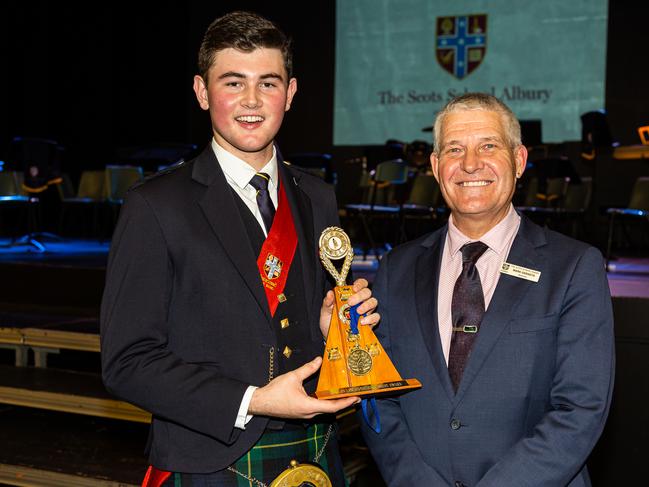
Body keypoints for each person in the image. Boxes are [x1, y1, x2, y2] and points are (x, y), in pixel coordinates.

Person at [100, 11, 378, 486]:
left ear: (290, 94)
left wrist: (331, 326)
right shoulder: (156, 205)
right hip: (210, 458)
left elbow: (296, 319)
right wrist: (252, 400)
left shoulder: (316, 196)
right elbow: (127, 362)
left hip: (315, 447)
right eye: (233, 83)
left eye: (268, 83)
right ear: (202, 92)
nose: (252, 102)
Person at [361, 93, 614, 486]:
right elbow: (378, 399)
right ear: (435, 165)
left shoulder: (575, 268)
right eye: (454, 149)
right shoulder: (396, 269)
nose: (470, 164)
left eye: (488, 146)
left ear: (519, 160)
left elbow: (580, 409)